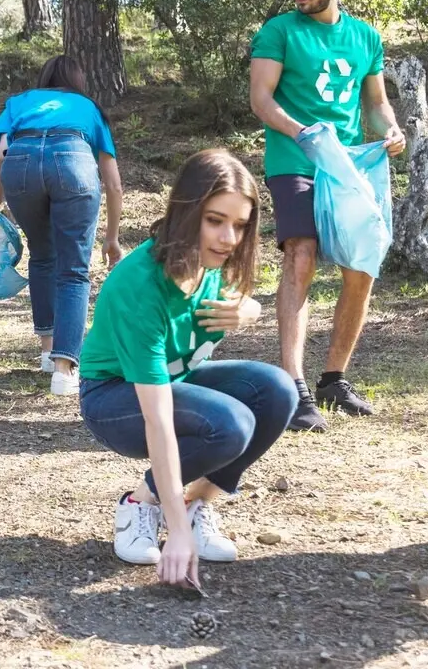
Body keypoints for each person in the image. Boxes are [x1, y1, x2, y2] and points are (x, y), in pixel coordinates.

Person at [78, 150, 297, 587]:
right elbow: (158, 420)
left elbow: (243, 303)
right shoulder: (140, 286)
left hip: (177, 384)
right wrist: (174, 534)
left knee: (278, 390)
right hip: (113, 401)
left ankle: (197, 504)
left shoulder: (213, 263)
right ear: (187, 210)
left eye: (239, 225)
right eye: (215, 220)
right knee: (230, 424)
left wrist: (248, 311)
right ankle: (141, 505)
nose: (228, 238)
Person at [249, 0, 406, 432]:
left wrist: (391, 129)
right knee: (301, 254)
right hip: (294, 159)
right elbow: (261, 99)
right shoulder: (278, 32)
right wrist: (302, 132)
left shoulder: (365, 37)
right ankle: (292, 387)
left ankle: (333, 379)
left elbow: (375, 103)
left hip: (350, 166)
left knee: (363, 263)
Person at [0, 56, 124, 396]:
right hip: (72, 160)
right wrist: (112, 239)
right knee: (73, 269)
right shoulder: (88, 107)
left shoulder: (20, 102)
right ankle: (64, 369)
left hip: (21, 163)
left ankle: (47, 350)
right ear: (77, 80)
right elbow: (114, 183)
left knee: (43, 255)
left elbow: (1, 154)